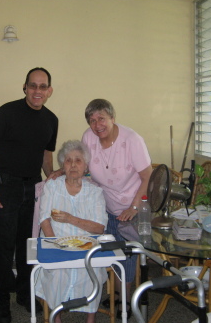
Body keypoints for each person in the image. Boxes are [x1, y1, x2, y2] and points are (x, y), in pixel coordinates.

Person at [0, 67, 58, 323]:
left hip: (32, 188)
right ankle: (1, 300)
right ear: (25, 88)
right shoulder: (5, 113)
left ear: (49, 91)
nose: (37, 91)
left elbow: (46, 156)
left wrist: (53, 179)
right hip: (3, 188)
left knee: (28, 247)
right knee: (2, 249)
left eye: (42, 86)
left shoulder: (51, 120)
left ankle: (25, 294)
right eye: (32, 86)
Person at [81, 98, 153, 319]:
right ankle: (118, 294)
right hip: (106, 205)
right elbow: (82, 166)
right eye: (92, 120)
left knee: (126, 256)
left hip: (132, 207)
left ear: (112, 118)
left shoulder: (132, 140)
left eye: (101, 118)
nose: (97, 125)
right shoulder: (88, 138)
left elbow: (148, 176)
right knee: (108, 252)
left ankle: (127, 299)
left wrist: (134, 207)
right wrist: (60, 172)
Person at [36, 140, 107, 323]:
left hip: (86, 246)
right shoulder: (52, 186)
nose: (73, 165)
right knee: (57, 271)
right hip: (57, 243)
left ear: (86, 166)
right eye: (68, 160)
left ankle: (90, 319)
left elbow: (99, 227)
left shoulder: (95, 192)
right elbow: (44, 218)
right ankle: (56, 317)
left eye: (78, 160)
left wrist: (70, 218)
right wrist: (55, 245)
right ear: (62, 165)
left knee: (93, 269)